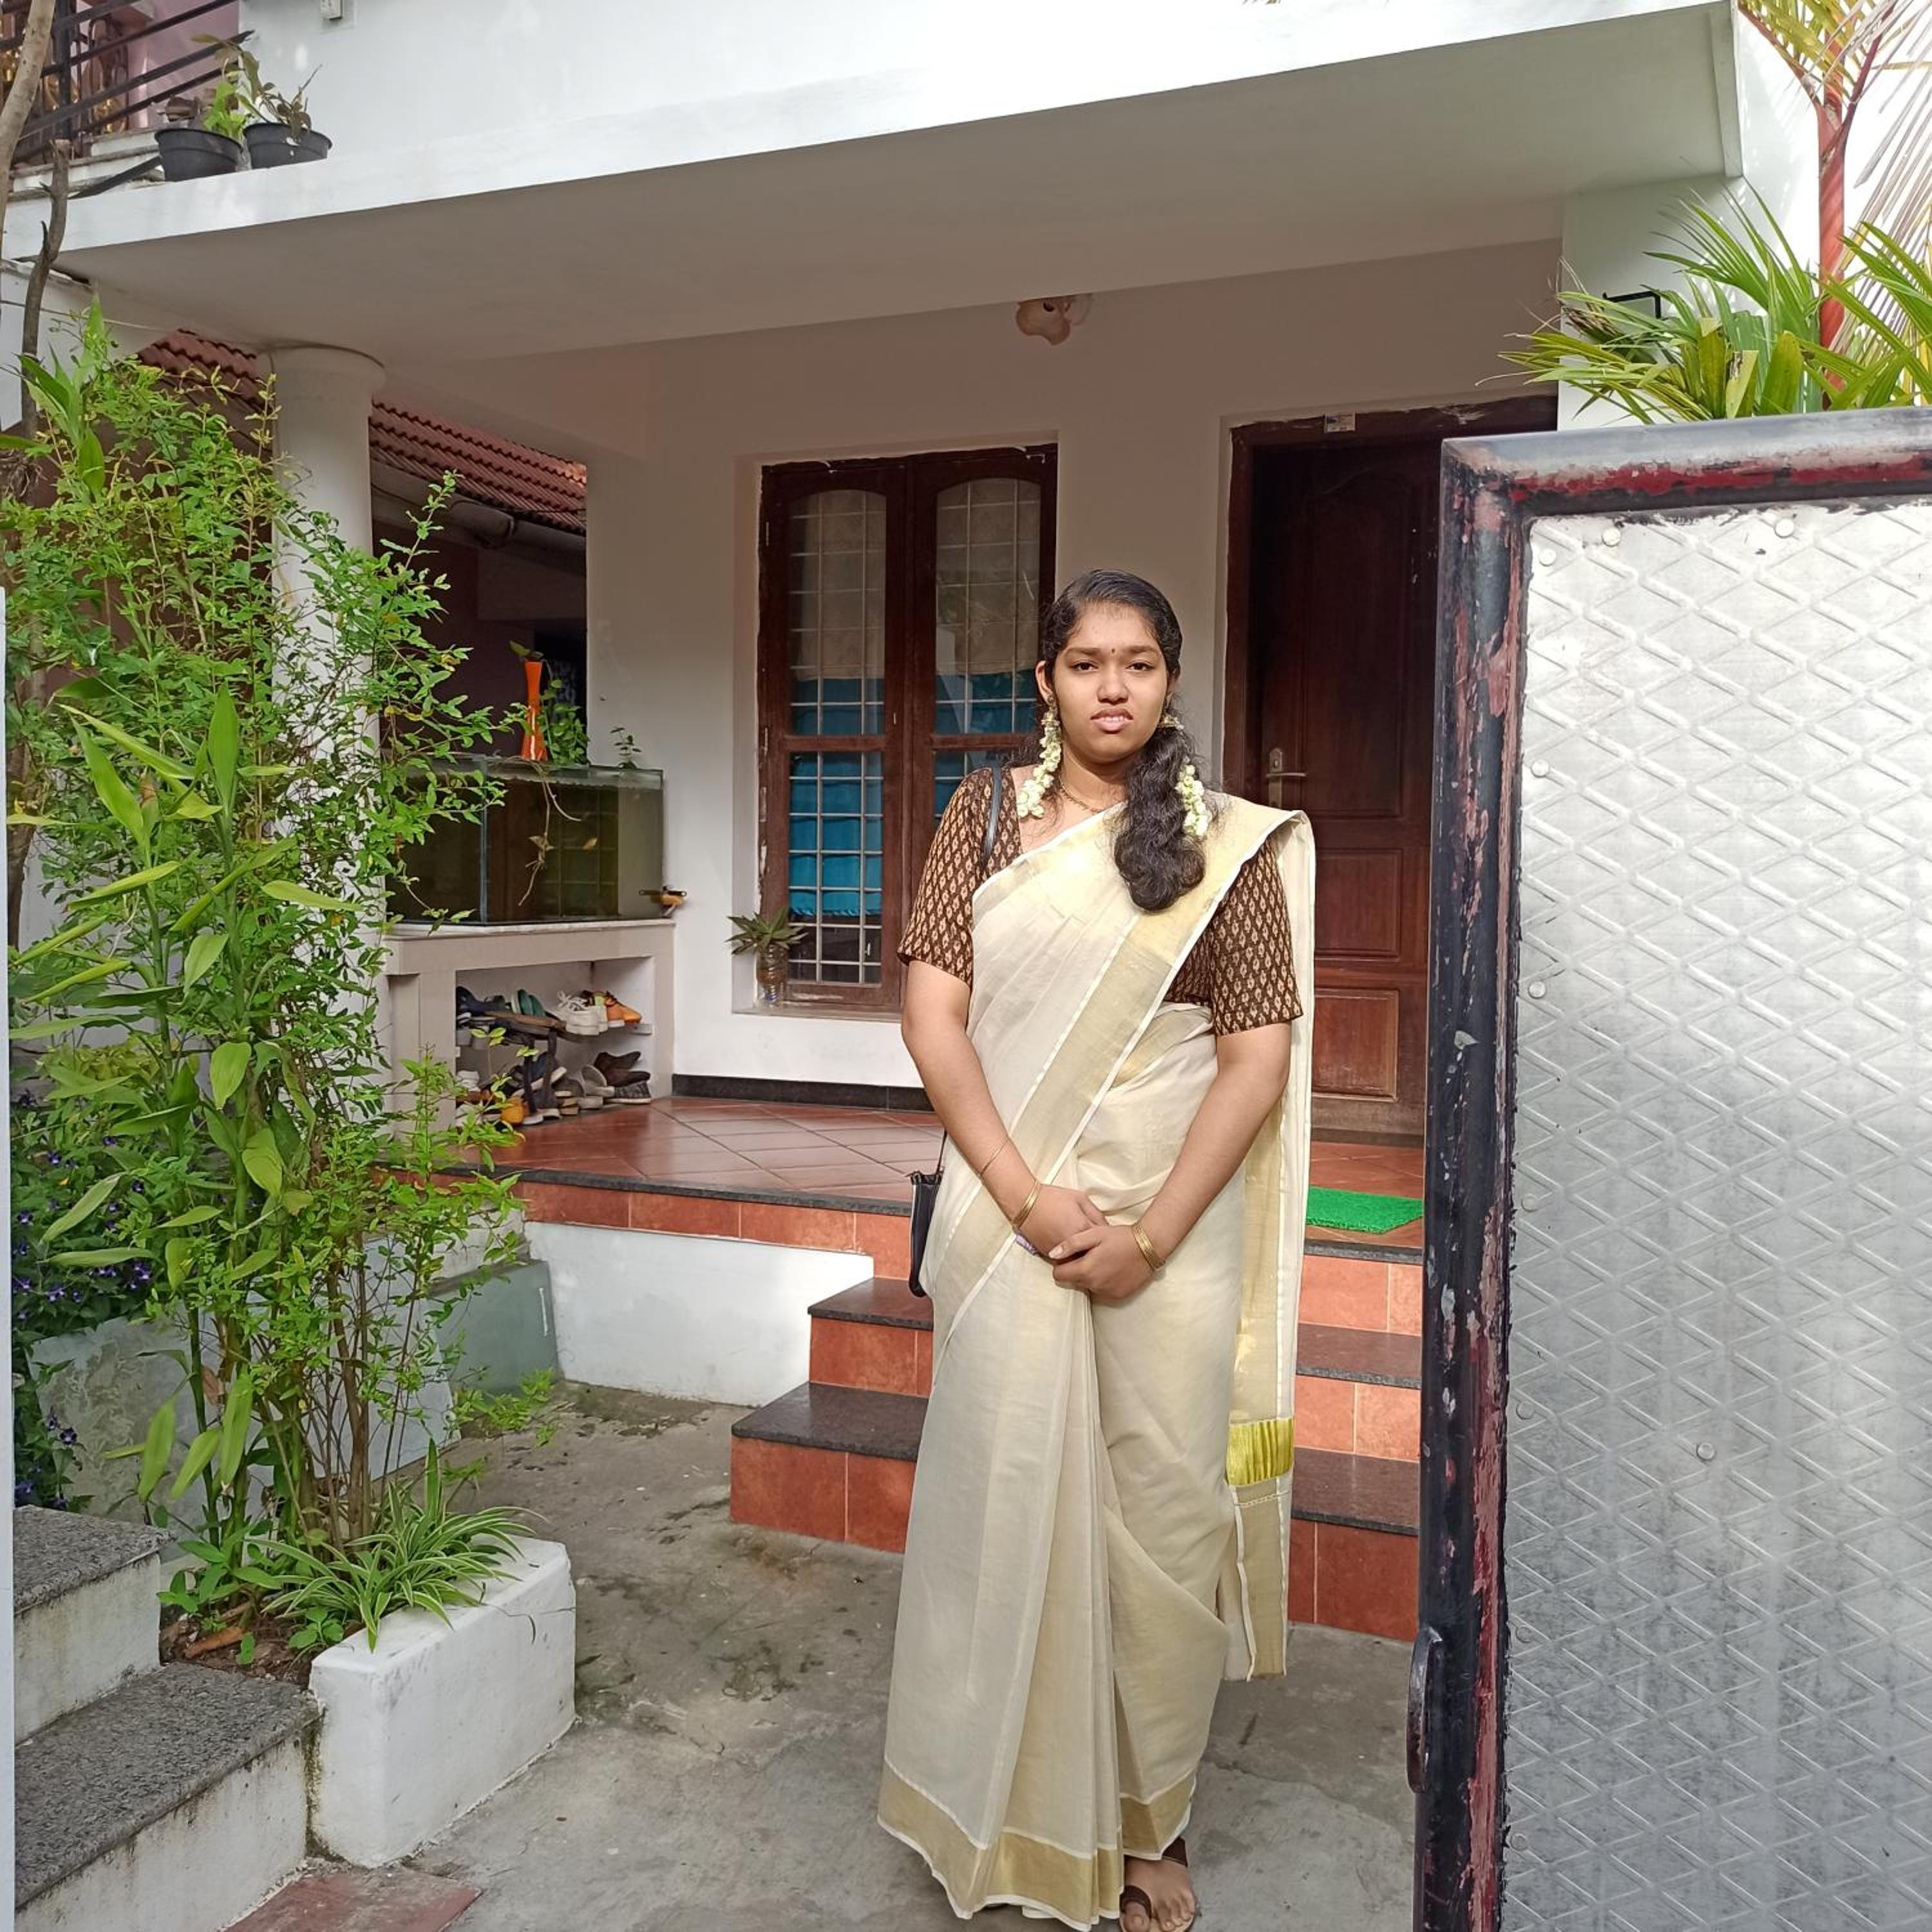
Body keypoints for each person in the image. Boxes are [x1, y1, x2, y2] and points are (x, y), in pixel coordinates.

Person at [878, 569, 1314, 1931]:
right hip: (1018, 1216)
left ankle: (1147, 1817)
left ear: (1170, 680)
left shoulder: (1226, 846)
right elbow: (934, 1015)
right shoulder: (983, 818)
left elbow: (1255, 1061)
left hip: (1168, 1231)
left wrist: (1150, 1238)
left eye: (1137, 663)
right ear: (1046, 682)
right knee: (1004, 1495)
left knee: (1163, 1519)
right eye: (1085, 663)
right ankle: (1000, 1806)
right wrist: (1025, 1198)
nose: (1111, 687)